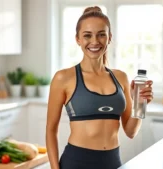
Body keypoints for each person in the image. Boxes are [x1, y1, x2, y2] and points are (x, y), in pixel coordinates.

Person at [46, 6, 153, 169]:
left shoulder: (120, 77)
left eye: (101, 35)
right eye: (87, 35)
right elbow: (50, 130)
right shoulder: (64, 78)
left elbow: (131, 132)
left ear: (109, 38)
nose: (95, 41)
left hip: (112, 162)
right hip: (76, 163)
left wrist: (141, 103)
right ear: (78, 39)